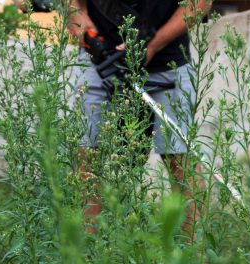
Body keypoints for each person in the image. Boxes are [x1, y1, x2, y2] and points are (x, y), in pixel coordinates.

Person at [66, 0, 210, 237]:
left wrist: (152, 46)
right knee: (84, 160)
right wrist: (84, 30)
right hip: (100, 61)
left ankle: (195, 254)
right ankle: (87, 252)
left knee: (181, 162)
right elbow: (73, 5)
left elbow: (198, 4)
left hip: (168, 62)